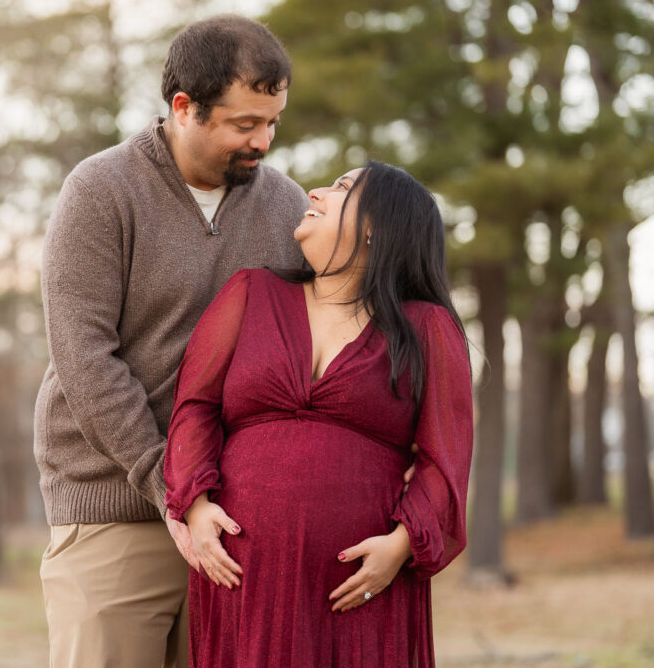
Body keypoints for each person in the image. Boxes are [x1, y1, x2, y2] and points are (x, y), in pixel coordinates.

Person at [33, 15, 308, 668]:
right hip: (115, 511)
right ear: (184, 108)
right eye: (245, 124)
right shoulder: (101, 191)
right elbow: (85, 357)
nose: (264, 141)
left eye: (273, 122)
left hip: (236, 526)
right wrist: (174, 490)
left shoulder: (288, 207)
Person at [164, 161, 473, 667]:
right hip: (242, 575)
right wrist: (195, 505)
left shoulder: (426, 329)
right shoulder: (251, 292)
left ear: (376, 225)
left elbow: (447, 457)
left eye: (343, 187)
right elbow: (195, 408)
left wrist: (399, 546)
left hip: (359, 587)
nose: (316, 191)